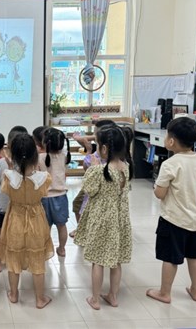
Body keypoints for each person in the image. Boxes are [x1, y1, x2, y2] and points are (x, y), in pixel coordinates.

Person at [146, 117, 196, 304]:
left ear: (171, 141)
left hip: (174, 219)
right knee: (195, 256)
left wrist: (157, 188)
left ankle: (165, 293)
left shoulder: (170, 164)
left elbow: (160, 193)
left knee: (170, 258)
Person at [73, 126, 133, 310]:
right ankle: (113, 296)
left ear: (104, 148)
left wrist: (92, 168)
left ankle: (95, 299)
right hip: (119, 220)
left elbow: (90, 190)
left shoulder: (99, 170)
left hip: (101, 220)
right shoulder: (126, 167)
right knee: (116, 261)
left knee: (97, 261)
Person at [0, 133, 54, 309]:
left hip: (15, 220)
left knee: (13, 260)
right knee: (37, 261)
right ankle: (40, 299)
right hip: (36, 221)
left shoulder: (8, 177)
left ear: (13, 155)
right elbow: (44, 190)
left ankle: (14, 294)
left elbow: (7, 189)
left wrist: (12, 167)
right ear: (35, 156)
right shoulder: (44, 178)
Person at [0, 125, 28, 273]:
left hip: (3, 206)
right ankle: (21, 262)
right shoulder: (27, 164)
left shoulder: (1, 162)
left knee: (0, 234)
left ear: (8, 144)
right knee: (21, 233)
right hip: (21, 206)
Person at [69, 119, 116, 238]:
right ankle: (82, 229)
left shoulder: (102, 153)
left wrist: (89, 150)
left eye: (96, 135)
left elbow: (87, 169)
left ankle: (84, 231)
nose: (94, 138)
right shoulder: (109, 150)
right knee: (78, 204)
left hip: (95, 188)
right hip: (94, 186)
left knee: (85, 207)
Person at [38, 128, 71, 258]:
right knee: (62, 226)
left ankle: (46, 249)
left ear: (45, 143)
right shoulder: (64, 156)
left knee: (45, 226)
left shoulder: (40, 157)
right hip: (61, 196)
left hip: (44, 197)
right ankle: (62, 249)